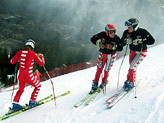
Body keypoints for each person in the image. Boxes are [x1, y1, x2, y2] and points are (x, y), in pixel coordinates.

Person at [10, 39, 45, 112]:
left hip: (20, 76)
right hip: (28, 76)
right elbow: (42, 63)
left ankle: (15, 104)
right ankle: (32, 101)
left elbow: (12, 61)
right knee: (38, 86)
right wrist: (41, 56)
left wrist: (19, 59)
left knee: (21, 89)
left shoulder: (19, 53)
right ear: (32, 47)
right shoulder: (33, 54)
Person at [121, 18, 155, 92]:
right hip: (132, 51)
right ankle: (128, 80)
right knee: (131, 66)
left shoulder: (142, 31)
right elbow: (121, 43)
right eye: (128, 27)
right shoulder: (126, 32)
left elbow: (152, 41)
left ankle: (131, 83)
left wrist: (141, 41)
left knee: (132, 66)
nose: (128, 28)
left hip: (142, 52)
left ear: (135, 26)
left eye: (130, 27)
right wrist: (125, 41)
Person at [90, 24, 123, 94]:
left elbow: (121, 48)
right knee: (99, 69)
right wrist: (98, 44)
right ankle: (95, 83)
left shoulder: (116, 38)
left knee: (106, 69)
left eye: (114, 31)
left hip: (111, 55)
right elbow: (92, 39)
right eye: (111, 32)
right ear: (107, 31)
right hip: (102, 54)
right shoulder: (102, 34)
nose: (113, 34)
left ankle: (104, 81)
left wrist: (113, 46)